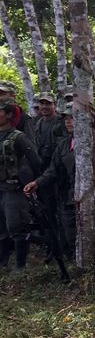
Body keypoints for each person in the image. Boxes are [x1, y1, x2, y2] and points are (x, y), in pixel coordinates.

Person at [25, 103, 95, 256]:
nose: (68, 122)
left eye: (73, 118)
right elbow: (53, 170)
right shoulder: (63, 145)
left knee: (91, 239)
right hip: (69, 199)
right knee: (70, 238)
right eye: (66, 118)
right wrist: (37, 183)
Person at [0, 98, 41, 272]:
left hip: (14, 189)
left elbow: (36, 161)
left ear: (9, 115)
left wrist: (33, 183)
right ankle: (3, 262)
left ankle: (20, 266)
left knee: (16, 227)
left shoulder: (18, 137)